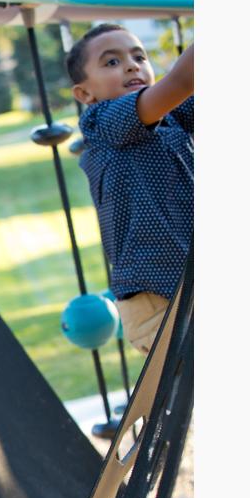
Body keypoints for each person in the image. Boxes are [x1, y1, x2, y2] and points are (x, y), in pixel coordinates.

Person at [66, 25, 193, 352]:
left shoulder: (173, 117)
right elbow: (181, 81)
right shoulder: (103, 122)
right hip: (158, 304)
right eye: (111, 62)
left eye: (140, 57)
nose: (132, 65)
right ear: (85, 94)